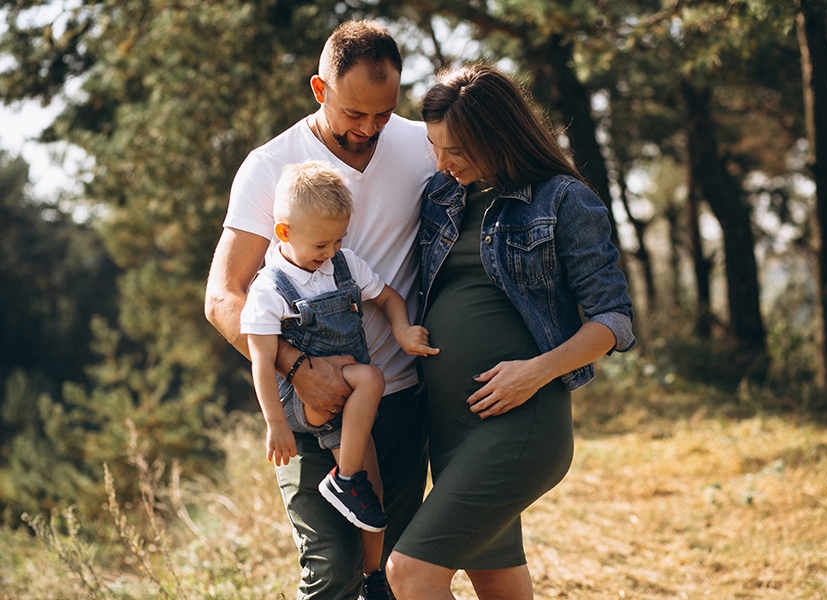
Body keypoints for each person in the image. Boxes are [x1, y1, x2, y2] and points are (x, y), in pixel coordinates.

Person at [385, 63, 636, 600]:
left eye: (456, 150)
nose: (442, 163)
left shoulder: (564, 200)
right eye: (434, 147)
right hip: (450, 426)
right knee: (498, 584)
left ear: (497, 136)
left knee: (409, 572)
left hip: (522, 420)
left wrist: (535, 373)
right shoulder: (442, 196)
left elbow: (613, 320)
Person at [204, 20, 436, 600]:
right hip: (307, 412)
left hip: (401, 401)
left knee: (393, 574)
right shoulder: (270, 167)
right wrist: (297, 369)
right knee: (332, 573)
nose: (370, 129)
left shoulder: (421, 145)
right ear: (319, 89)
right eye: (355, 114)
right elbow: (223, 297)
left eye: (383, 114)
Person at [242, 161, 438, 572]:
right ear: (284, 233)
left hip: (348, 406)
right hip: (304, 401)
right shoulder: (269, 288)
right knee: (371, 377)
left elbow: (388, 298)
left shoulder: (343, 264)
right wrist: (275, 424)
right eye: (320, 245)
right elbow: (261, 360)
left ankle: (372, 579)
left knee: (376, 500)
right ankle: (344, 478)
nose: (329, 253)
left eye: (337, 241)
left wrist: (402, 330)